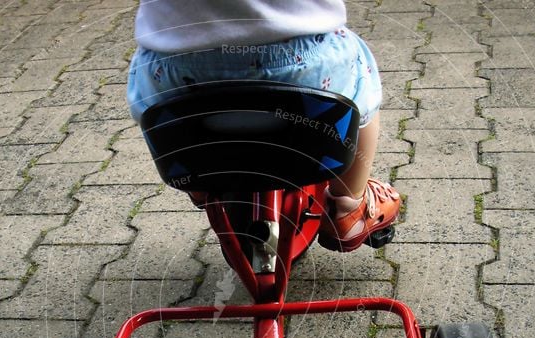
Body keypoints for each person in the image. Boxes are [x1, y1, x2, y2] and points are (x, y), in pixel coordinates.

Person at [126, 0, 400, 252]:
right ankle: (348, 206)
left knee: (154, 101)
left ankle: (200, 184)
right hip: (303, 63)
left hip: (175, 67)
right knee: (360, 77)